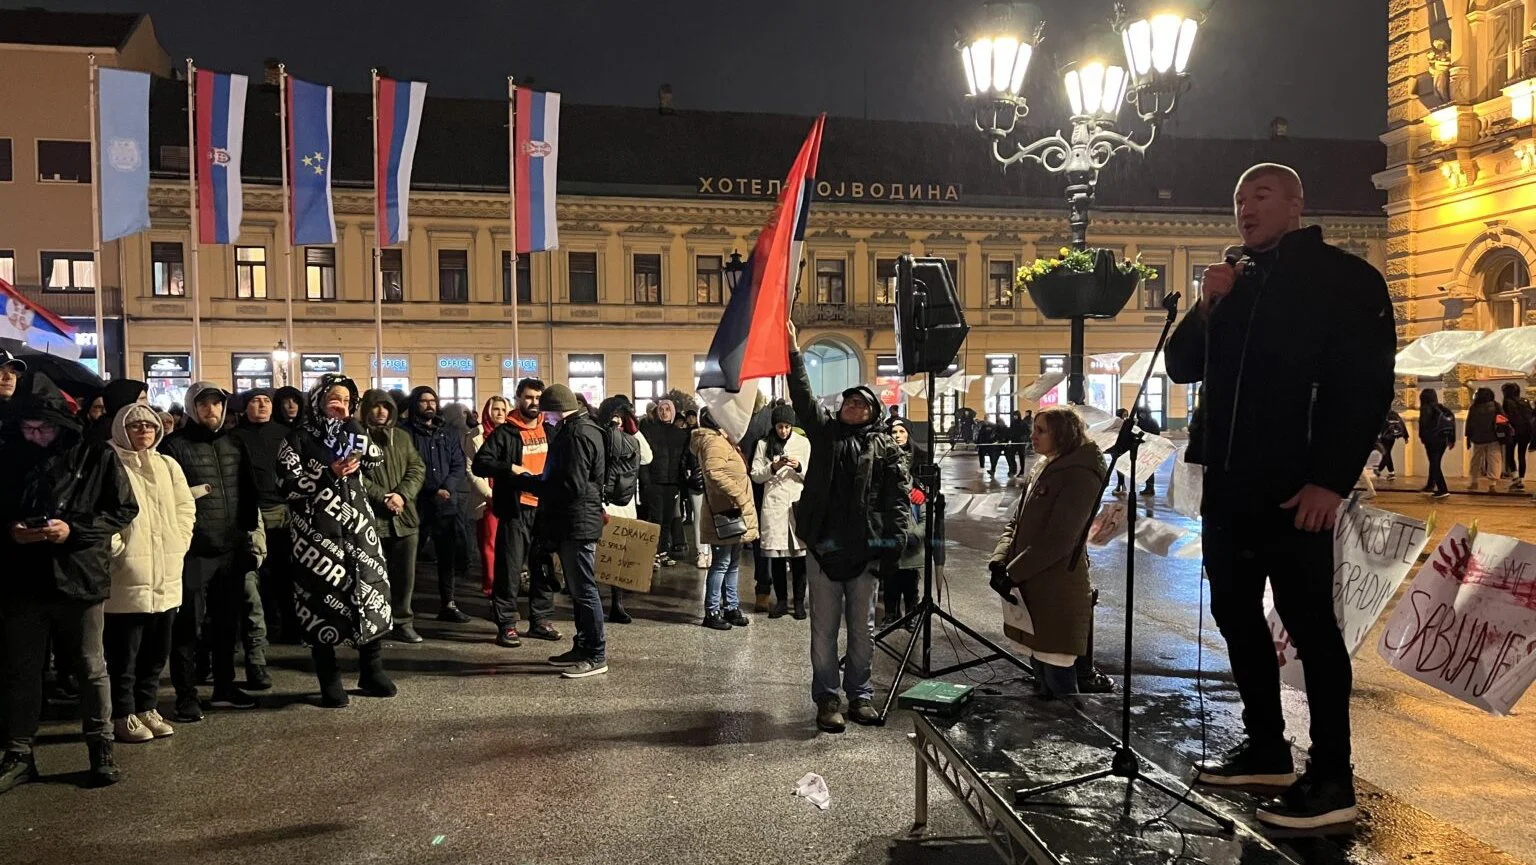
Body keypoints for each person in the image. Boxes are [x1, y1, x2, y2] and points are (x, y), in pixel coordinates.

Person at [1166, 163, 1395, 829]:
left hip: (1298, 488)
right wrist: (1210, 304)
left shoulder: (1342, 279)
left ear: (1297, 202)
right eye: (1239, 197)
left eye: (1261, 194)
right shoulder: (1235, 282)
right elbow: (1183, 367)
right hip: (1231, 486)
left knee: (1312, 629)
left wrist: (1331, 477)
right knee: (1236, 615)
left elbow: (1364, 386)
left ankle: (1332, 777)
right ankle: (1267, 746)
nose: (1246, 206)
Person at [0, 374, 139, 793]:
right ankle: (19, 752)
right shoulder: (9, 456)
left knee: (90, 667)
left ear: (61, 423)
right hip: (22, 579)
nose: (36, 435)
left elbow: (123, 508)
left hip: (79, 575)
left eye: (43, 427)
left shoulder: (95, 457)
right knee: (22, 669)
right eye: (28, 428)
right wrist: (12, 529)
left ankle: (101, 749)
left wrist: (72, 530)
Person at [787, 322, 914, 733]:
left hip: (865, 554)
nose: (853, 408)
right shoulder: (826, 435)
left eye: (861, 404)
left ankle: (860, 695)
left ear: (874, 410)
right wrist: (792, 353)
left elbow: (898, 501)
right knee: (823, 631)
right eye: (848, 403)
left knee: (863, 631)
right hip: (824, 550)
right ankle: (827, 699)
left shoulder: (887, 446)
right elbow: (803, 398)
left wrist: (891, 548)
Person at [276, 375, 395, 707]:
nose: (341, 405)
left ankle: (371, 671)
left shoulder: (353, 431)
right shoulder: (297, 439)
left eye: (347, 401)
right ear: (317, 400)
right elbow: (287, 485)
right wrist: (327, 472)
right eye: (334, 399)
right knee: (320, 603)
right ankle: (329, 680)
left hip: (359, 532)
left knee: (370, 596)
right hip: (316, 539)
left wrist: (356, 433)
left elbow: (376, 459)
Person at [159, 382, 259, 720]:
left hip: (230, 549)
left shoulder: (235, 444)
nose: (211, 410)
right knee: (187, 625)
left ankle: (225, 687)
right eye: (203, 405)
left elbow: (248, 492)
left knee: (227, 624)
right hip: (193, 552)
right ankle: (186, 695)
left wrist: (246, 538)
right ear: (191, 408)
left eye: (216, 404)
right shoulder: (175, 447)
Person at [989, 408, 1104, 698]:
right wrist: (999, 561)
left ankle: (1071, 738)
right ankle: (1043, 738)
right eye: (1034, 429)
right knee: (1040, 668)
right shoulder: (1044, 467)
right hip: (1030, 584)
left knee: (1058, 673)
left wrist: (1012, 572)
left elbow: (1059, 540)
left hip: (1057, 586)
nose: (1033, 435)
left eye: (1041, 430)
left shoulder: (1079, 474)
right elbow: (1017, 521)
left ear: (1063, 434)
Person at [102, 402, 196, 744]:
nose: (144, 431)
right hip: (127, 572)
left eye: (150, 426)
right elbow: (100, 509)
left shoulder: (167, 464)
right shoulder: (108, 461)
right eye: (136, 426)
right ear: (121, 429)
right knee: (124, 652)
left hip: (166, 570)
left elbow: (185, 506)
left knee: (157, 650)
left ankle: (147, 706)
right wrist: (118, 549)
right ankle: (122, 712)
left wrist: (180, 540)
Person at [473, 379, 563, 647]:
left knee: (543, 566)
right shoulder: (506, 433)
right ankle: (507, 624)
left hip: (544, 509)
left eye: (538, 397)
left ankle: (541, 620)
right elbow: (480, 464)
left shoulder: (551, 431)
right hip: (515, 509)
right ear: (518, 398)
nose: (534, 402)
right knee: (509, 568)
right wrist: (510, 469)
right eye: (528, 397)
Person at [528, 384, 608, 679]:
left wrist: (532, 483)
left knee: (584, 590)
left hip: (576, 522)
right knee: (579, 590)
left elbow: (570, 485)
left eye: (545, 413)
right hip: (578, 519)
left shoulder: (575, 434)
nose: (544, 419)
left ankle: (596, 654)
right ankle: (583, 645)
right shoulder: (585, 428)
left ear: (555, 410)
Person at [358, 389, 426, 644]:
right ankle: (376, 624)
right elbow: (354, 476)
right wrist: (383, 497)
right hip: (373, 521)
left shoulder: (402, 438)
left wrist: (401, 496)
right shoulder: (357, 438)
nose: (381, 411)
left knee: (405, 577)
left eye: (386, 407)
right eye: (375, 406)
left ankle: (402, 621)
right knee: (373, 576)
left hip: (405, 519)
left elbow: (416, 468)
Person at [229, 388, 291, 665]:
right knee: (254, 573)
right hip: (252, 512)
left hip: (281, 510)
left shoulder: (284, 434)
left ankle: (284, 624)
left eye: (266, 401)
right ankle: (256, 631)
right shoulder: (236, 437)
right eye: (255, 401)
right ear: (245, 408)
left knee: (283, 570)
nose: (262, 405)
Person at [404, 386, 471, 622]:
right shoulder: (405, 433)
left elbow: (458, 465)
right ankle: (403, 606)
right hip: (417, 503)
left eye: (432, 401)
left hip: (445, 504)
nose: (429, 405)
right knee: (409, 557)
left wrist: (446, 488)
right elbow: (407, 467)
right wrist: (427, 491)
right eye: (424, 401)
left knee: (447, 557)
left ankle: (448, 603)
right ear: (415, 405)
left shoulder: (447, 432)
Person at [692, 407, 759, 630]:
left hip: (732, 513)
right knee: (721, 564)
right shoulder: (713, 442)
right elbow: (714, 472)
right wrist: (739, 494)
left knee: (732, 564)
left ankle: (731, 606)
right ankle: (712, 611)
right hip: (724, 513)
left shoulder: (722, 439)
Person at [750, 404, 810, 619]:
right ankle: (782, 601)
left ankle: (800, 602)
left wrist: (799, 467)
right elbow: (756, 474)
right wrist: (772, 468)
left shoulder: (803, 443)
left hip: (795, 502)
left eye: (786, 427)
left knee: (799, 557)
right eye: (779, 426)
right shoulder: (763, 444)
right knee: (776, 556)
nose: (782, 431)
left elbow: (812, 474)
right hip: (774, 505)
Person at [595, 396, 651, 624]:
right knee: (599, 556)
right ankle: (594, 604)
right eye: (614, 416)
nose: (617, 421)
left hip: (625, 504)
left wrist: (635, 432)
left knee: (619, 557)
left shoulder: (630, 440)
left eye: (622, 417)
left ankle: (617, 603)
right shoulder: (598, 435)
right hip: (603, 503)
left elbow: (647, 457)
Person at [638, 397, 689, 568]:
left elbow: (683, 460)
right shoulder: (650, 432)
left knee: (668, 519)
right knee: (656, 519)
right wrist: (646, 481)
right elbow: (644, 458)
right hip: (655, 482)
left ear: (673, 412)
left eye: (667, 409)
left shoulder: (680, 435)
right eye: (661, 409)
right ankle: (654, 553)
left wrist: (682, 481)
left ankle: (663, 552)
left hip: (672, 483)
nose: (664, 412)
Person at [884, 419, 924, 628]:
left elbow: (933, 486)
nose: (898, 435)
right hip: (889, 518)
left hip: (912, 518)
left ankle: (911, 612)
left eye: (901, 431)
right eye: (894, 431)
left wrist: (923, 491)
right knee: (890, 570)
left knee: (910, 571)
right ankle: (891, 613)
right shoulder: (883, 457)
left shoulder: (920, 456)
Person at [467, 396, 508, 596]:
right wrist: (490, 494)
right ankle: (491, 587)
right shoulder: (476, 435)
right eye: (496, 409)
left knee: (508, 545)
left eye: (503, 409)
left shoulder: (511, 433)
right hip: (487, 499)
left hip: (509, 496)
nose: (500, 413)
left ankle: (507, 585)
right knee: (489, 544)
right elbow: (471, 470)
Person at [1418, 389, 1454, 500]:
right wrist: (1451, 439)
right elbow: (1451, 423)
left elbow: (1423, 425)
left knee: (1434, 464)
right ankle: (1430, 485)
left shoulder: (1425, 408)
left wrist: (1422, 437)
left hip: (1432, 440)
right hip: (1443, 440)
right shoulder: (1442, 408)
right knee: (1435, 462)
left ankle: (1443, 489)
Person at [1466, 387, 1504, 492]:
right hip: (1493, 437)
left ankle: (1474, 482)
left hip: (1477, 437)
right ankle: (1492, 484)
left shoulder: (1474, 407)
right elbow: (1503, 419)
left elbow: (1469, 423)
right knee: (1494, 459)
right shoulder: (1496, 406)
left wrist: (1468, 437)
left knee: (1476, 459)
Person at [1501, 383, 1532, 491]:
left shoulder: (1507, 402)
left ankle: (1515, 478)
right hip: (1526, 432)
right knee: (1521, 455)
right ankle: (1522, 479)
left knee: (1509, 454)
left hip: (1513, 431)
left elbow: (1506, 417)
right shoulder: (1525, 401)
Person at [1374, 408, 1408, 481]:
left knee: (1386, 454)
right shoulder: (1394, 413)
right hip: (1392, 438)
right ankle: (1381, 470)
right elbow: (1402, 424)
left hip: (1384, 437)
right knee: (1387, 453)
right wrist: (1406, 436)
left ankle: (1389, 472)